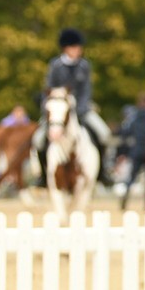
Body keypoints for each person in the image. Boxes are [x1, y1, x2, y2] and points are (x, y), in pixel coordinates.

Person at [32, 28, 113, 186]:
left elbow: (86, 91)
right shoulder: (55, 66)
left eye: (79, 47)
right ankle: (42, 176)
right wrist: (53, 110)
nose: (78, 51)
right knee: (38, 140)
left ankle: (102, 172)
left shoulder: (84, 65)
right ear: (66, 48)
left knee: (104, 134)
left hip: (81, 110)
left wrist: (78, 110)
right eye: (75, 47)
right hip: (58, 111)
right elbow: (48, 90)